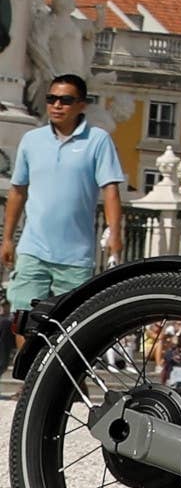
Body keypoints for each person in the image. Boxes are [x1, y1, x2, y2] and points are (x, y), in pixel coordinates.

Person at [2, 75, 125, 337]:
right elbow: (17, 191)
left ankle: (66, 378)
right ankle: (34, 378)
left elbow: (111, 190)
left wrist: (115, 233)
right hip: (33, 249)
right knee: (24, 321)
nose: (57, 105)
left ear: (81, 105)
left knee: (72, 328)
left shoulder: (98, 140)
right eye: (51, 99)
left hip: (75, 256)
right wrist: (8, 239)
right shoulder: (31, 140)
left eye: (65, 100)